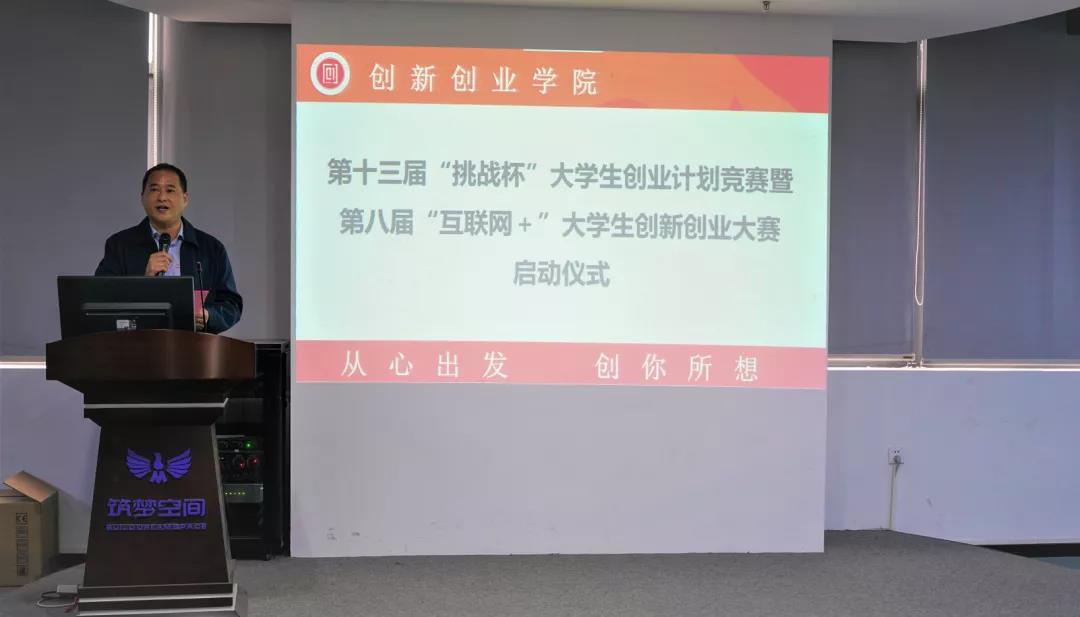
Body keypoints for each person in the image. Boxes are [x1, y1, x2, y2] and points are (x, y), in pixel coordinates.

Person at [94, 163, 242, 334]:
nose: (162, 197)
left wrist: (209, 316)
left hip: (194, 345)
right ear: (142, 198)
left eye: (170, 190)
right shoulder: (120, 245)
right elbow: (101, 301)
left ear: (185, 199)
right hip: (137, 343)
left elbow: (231, 305)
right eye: (154, 189)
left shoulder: (211, 248)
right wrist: (143, 281)